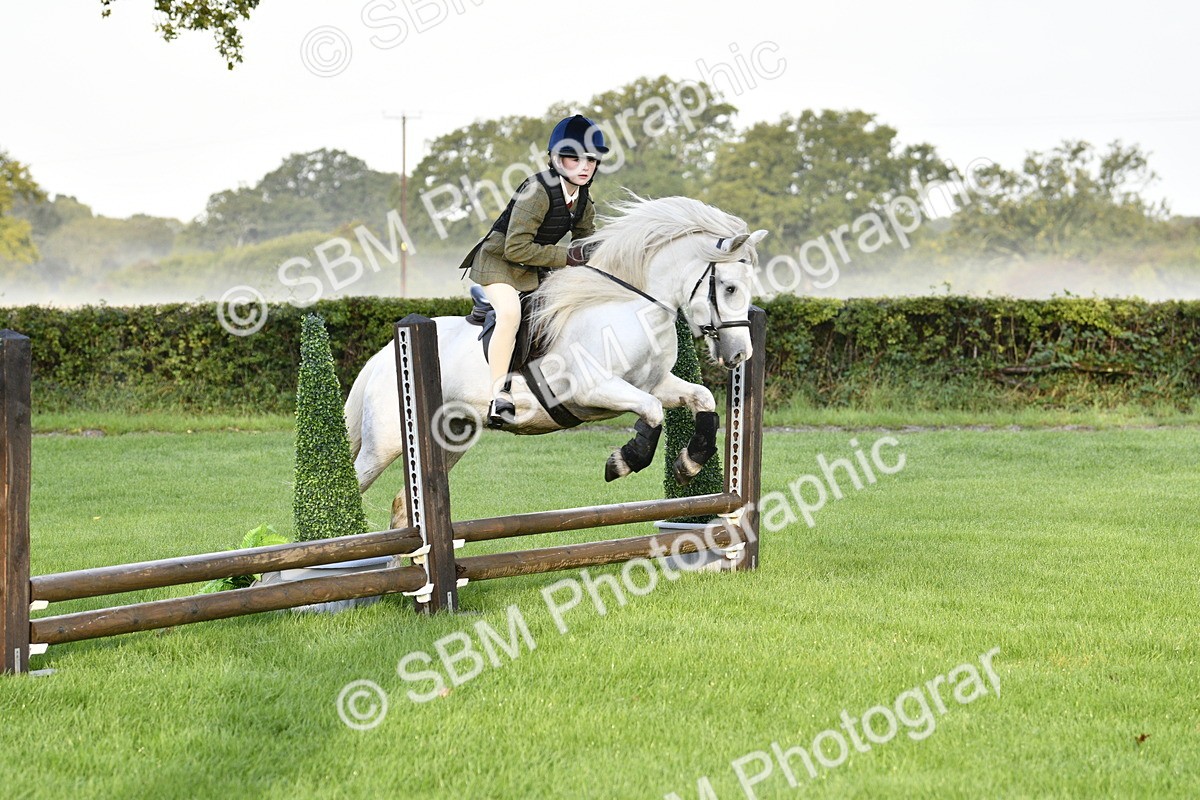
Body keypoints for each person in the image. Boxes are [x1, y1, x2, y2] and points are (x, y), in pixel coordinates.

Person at [463, 114, 608, 428]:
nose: (585, 166)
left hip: (535, 266)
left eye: (591, 160)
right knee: (512, 313)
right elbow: (516, 248)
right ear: (556, 159)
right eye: (575, 158)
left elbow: (586, 242)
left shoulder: (582, 198)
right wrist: (570, 258)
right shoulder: (537, 191)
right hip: (499, 262)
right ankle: (499, 396)